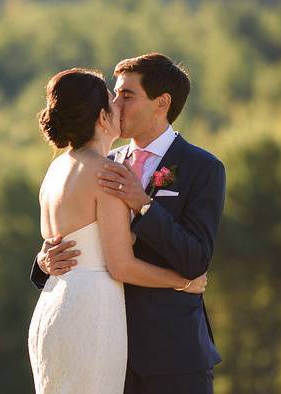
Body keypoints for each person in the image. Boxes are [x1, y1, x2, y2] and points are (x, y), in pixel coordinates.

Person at [30, 53, 226, 394]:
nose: (116, 104)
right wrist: (44, 262)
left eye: (127, 95)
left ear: (161, 103)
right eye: (115, 95)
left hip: (171, 354)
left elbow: (196, 260)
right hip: (103, 342)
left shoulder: (202, 167)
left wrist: (144, 205)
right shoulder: (105, 163)